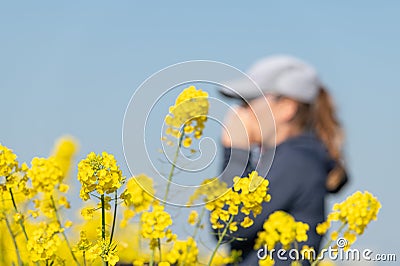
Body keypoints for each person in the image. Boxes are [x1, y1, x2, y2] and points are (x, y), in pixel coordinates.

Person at [217, 55, 349, 265]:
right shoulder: (289, 158)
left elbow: (227, 226)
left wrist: (236, 153)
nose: (238, 112)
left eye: (248, 102)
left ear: (287, 107)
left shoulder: (297, 162)